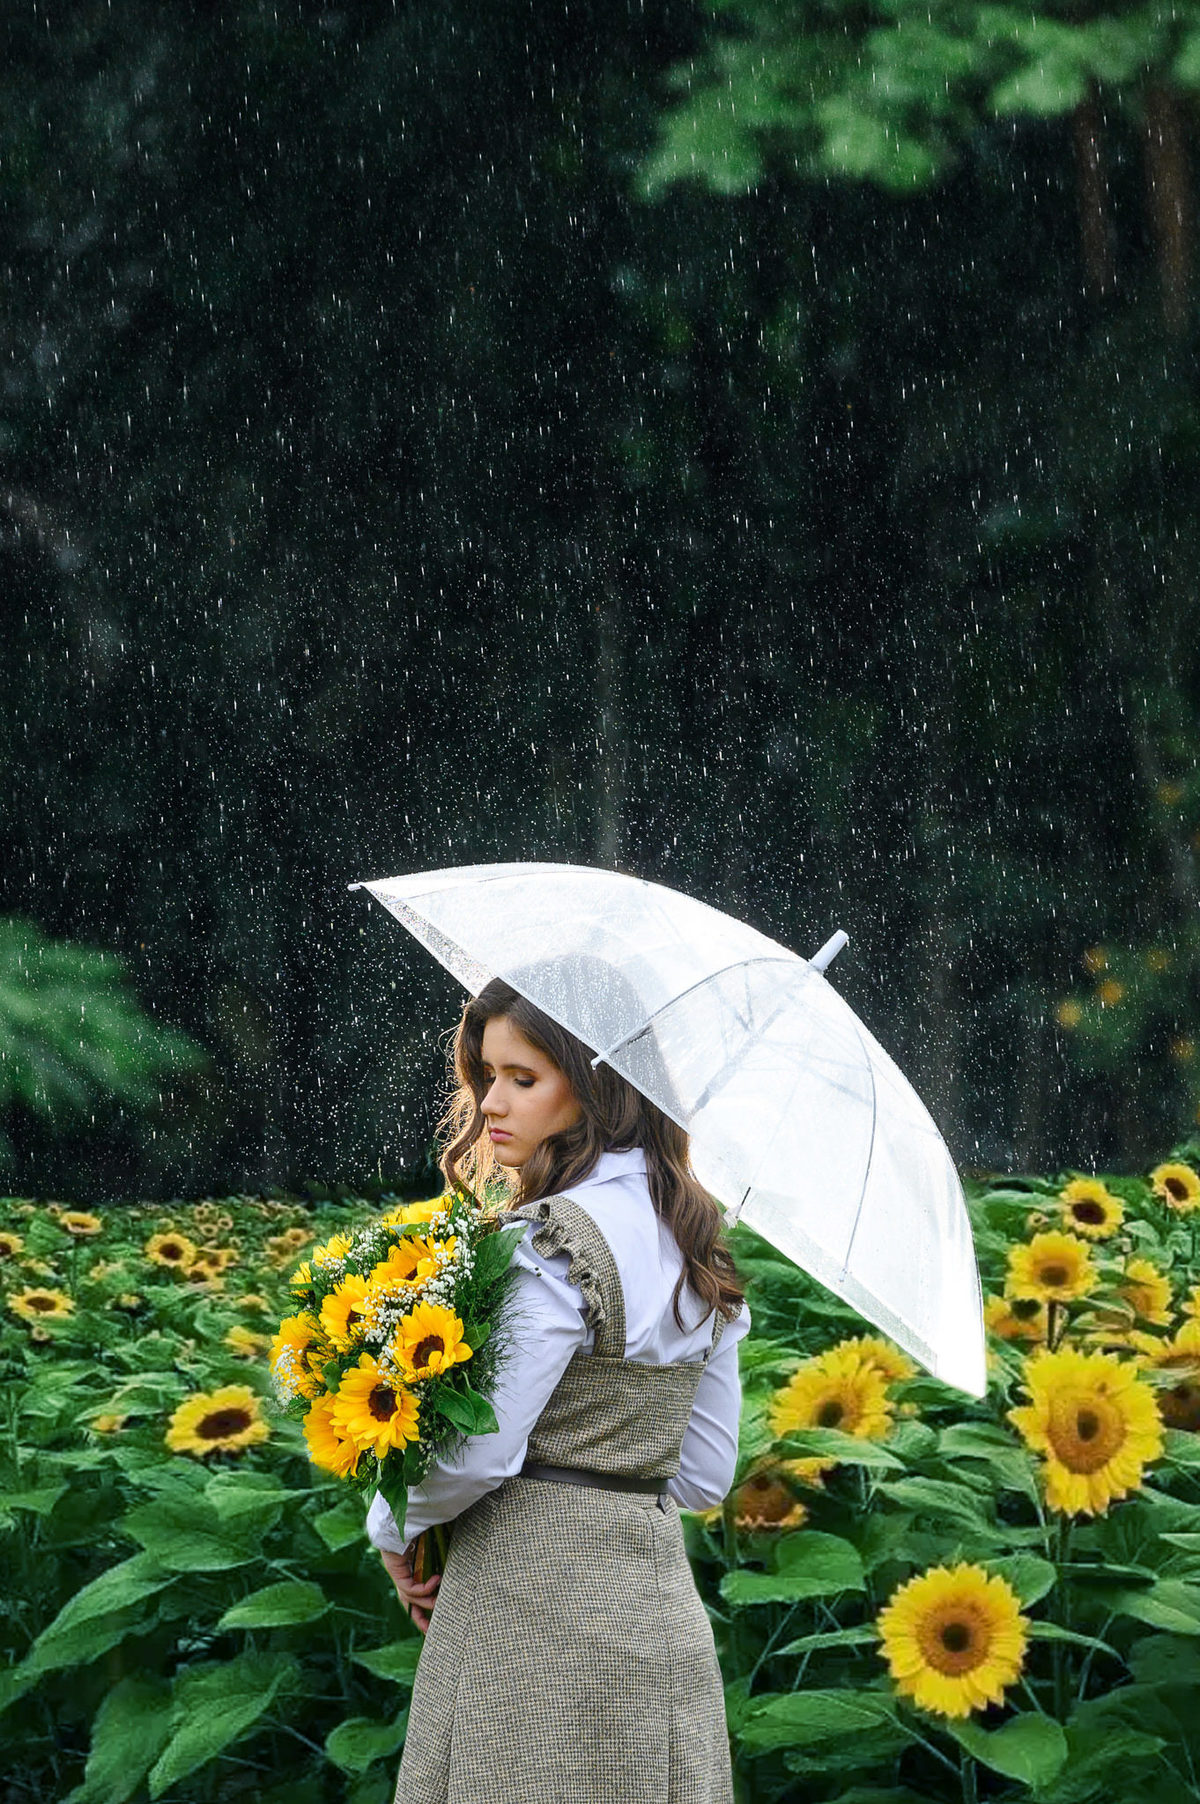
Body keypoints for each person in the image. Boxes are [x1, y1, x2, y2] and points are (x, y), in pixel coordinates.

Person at [366, 977, 751, 1804]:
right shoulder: (700, 1251)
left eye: (523, 1078)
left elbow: (481, 1453)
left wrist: (394, 1525)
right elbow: (702, 1478)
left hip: (528, 1626)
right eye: (487, 1074)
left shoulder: (550, 1245)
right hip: (659, 1628)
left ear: (597, 1085)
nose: (490, 1103)